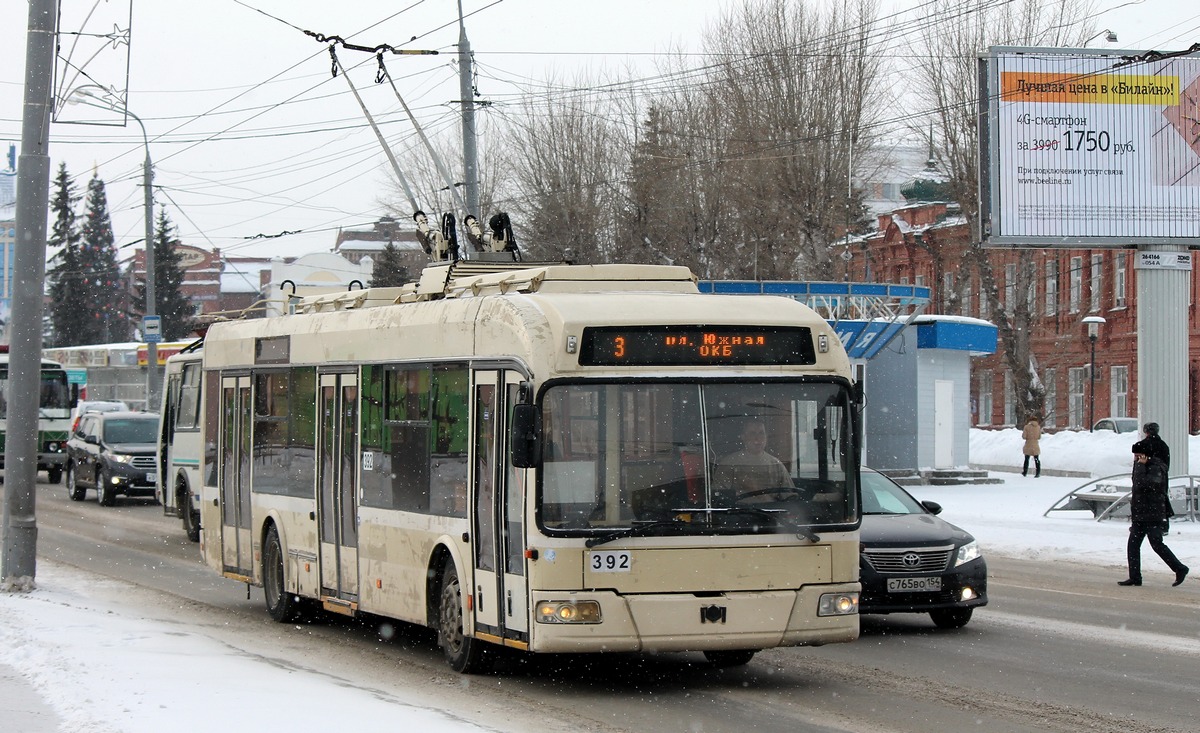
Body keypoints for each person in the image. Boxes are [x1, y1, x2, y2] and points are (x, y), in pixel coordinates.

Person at [1118, 446, 1189, 587]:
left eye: (1137, 456)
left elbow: (1142, 484)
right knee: (1133, 546)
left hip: (1152, 514)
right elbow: (1137, 485)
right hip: (1142, 515)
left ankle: (1180, 568)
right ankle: (1135, 577)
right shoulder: (1144, 466)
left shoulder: (1156, 468)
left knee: (1157, 544)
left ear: (1144, 456)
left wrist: (1139, 466)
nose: (1135, 459)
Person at [712, 420, 793, 501]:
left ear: (766, 437)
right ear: (743, 437)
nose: (758, 438)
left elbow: (790, 497)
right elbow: (718, 496)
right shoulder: (729, 463)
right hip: (739, 512)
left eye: (761, 433)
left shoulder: (776, 464)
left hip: (771, 512)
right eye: (752, 433)